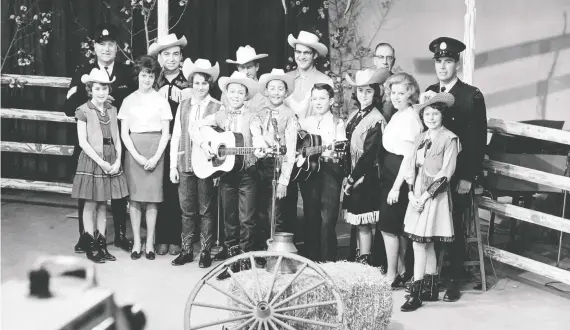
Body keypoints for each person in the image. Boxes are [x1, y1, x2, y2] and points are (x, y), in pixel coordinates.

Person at [423, 37, 487, 302]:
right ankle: (431, 277)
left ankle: (454, 281)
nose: (442, 67)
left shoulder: (471, 95)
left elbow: (477, 140)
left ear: (456, 64)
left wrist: (468, 177)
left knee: (455, 228)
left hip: (458, 175)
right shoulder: (429, 92)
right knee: (432, 226)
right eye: (439, 62)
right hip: (433, 175)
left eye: (448, 62)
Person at [64, 23, 134, 254]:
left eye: (111, 44)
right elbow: (67, 107)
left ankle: (120, 235)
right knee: (88, 190)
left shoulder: (126, 71)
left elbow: (132, 106)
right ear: (94, 47)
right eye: (102, 44)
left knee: (117, 188)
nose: (106, 49)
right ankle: (85, 236)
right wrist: (95, 103)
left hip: (116, 140)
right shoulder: (82, 71)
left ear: (116, 48)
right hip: (89, 142)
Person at [190, 71, 266, 279]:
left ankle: (244, 262)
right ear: (226, 94)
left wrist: (260, 148)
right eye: (232, 92)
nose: (235, 96)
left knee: (247, 218)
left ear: (245, 96)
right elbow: (194, 127)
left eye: (240, 92)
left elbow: (258, 137)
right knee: (229, 219)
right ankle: (231, 262)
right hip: (226, 174)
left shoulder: (252, 116)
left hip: (247, 173)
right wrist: (206, 145)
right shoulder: (220, 115)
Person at [400, 92, 459, 312]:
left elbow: (445, 173)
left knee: (419, 243)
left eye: (435, 113)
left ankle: (415, 294)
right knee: (427, 243)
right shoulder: (420, 138)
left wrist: (425, 196)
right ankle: (431, 288)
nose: (431, 117)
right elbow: (410, 167)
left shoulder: (449, 139)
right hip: (416, 195)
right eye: (427, 113)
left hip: (434, 196)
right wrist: (410, 193)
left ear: (442, 115)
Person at [71, 68, 129, 263]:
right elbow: (82, 142)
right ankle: (90, 244)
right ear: (90, 89)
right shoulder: (83, 110)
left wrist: (118, 160)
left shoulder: (112, 110)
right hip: (93, 160)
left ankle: (102, 243)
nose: (101, 92)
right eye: (97, 88)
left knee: (104, 203)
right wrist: (101, 162)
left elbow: (117, 138)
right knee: (90, 204)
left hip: (110, 158)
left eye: (104, 88)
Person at [118, 55, 173, 260]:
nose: (147, 79)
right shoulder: (128, 100)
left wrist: (156, 157)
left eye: (150, 75)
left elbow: (166, 133)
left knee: (152, 200)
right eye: (143, 75)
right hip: (134, 152)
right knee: (134, 199)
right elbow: (124, 133)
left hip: (155, 150)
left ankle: (150, 241)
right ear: (137, 76)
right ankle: (137, 242)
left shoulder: (161, 101)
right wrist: (138, 158)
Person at [169, 58, 222, 267]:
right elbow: (176, 135)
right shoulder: (183, 106)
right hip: (185, 163)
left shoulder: (217, 107)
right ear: (191, 84)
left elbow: (220, 139)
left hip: (206, 167)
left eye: (204, 83)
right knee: (186, 210)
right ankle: (187, 249)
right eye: (197, 83)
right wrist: (173, 165)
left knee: (206, 210)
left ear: (210, 84)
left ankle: (206, 251)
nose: (200, 87)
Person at [376, 72, 424, 287]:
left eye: (401, 93)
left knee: (389, 227)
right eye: (393, 92)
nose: (395, 97)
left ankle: (392, 274)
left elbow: (408, 157)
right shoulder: (398, 114)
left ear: (410, 94)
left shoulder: (410, 118)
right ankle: (403, 271)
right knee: (395, 226)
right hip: (390, 170)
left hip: (399, 174)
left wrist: (396, 187)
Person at [342, 68, 390, 265]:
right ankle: (359, 255)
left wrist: (352, 178)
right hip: (353, 172)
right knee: (358, 221)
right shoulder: (356, 114)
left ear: (375, 93)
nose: (364, 95)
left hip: (366, 176)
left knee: (364, 221)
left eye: (368, 91)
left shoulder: (376, 119)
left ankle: (365, 259)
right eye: (360, 91)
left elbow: (369, 155)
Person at [149, 33, 191, 256]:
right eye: (167, 55)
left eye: (176, 54)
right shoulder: (152, 81)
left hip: (182, 142)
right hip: (157, 141)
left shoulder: (190, 81)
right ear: (159, 58)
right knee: (159, 187)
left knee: (178, 189)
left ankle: (177, 236)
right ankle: (160, 236)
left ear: (182, 56)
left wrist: (185, 95)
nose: (172, 59)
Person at [298, 83, 347, 262]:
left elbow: (340, 149)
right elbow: (297, 146)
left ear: (331, 100)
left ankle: (328, 260)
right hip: (308, 173)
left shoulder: (337, 122)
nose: (318, 102)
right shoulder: (304, 123)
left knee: (328, 217)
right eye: (315, 98)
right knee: (311, 215)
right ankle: (311, 259)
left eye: (322, 98)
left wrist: (328, 150)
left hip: (329, 171)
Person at [255, 69, 298, 249]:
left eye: (280, 89)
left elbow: (291, 151)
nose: (276, 92)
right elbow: (256, 136)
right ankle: (262, 250)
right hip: (260, 166)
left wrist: (284, 181)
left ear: (286, 92)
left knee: (276, 212)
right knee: (260, 211)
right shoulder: (260, 113)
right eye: (272, 88)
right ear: (266, 91)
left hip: (278, 167)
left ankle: (276, 250)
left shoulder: (289, 116)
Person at [225, 45, 269, 112]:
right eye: (242, 68)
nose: (246, 72)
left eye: (249, 67)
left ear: (257, 67)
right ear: (237, 68)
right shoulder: (228, 91)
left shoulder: (265, 92)